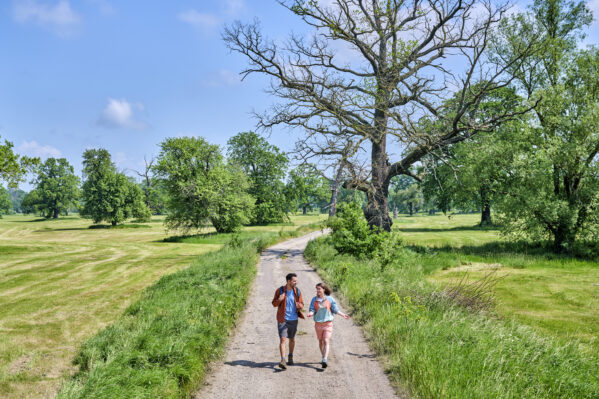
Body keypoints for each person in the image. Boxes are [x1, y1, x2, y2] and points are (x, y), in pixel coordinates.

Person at [306, 282, 350, 369]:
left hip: (328, 324)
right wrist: (310, 313)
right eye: (317, 289)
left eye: (319, 289)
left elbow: (335, 310)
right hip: (318, 324)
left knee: (326, 340)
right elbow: (312, 309)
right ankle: (323, 356)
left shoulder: (330, 299)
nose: (317, 290)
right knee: (320, 341)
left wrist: (343, 315)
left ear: (324, 289)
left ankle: (324, 359)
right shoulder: (314, 299)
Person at [272, 272, 304, 370]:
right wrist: (280, 300)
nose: (296, 283)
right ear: (289, 281)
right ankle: (283, 360)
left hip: (293, 319)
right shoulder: (280, 290)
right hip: (283, 319)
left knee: (292, 339)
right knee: (282, 339)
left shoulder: (297, 291)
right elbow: (274, 303)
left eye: (296, 281)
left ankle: (290, 356)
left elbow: (302, 304)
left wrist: (300, 306)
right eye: (294, 281)